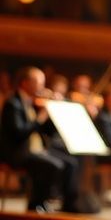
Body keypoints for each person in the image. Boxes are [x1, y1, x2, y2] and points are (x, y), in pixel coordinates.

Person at [0, 66, 80, 213]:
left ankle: (68, 204)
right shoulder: (13, 103)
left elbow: (48, 132)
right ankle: (37, 203)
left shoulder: (34, 103)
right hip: (18, 152)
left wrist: (56, 109)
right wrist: (40, 118)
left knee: (71, 162)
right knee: (54, 165)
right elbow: (19, 133)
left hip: (36, 149)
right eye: (39, 82)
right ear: (25, 83)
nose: (43, 87)